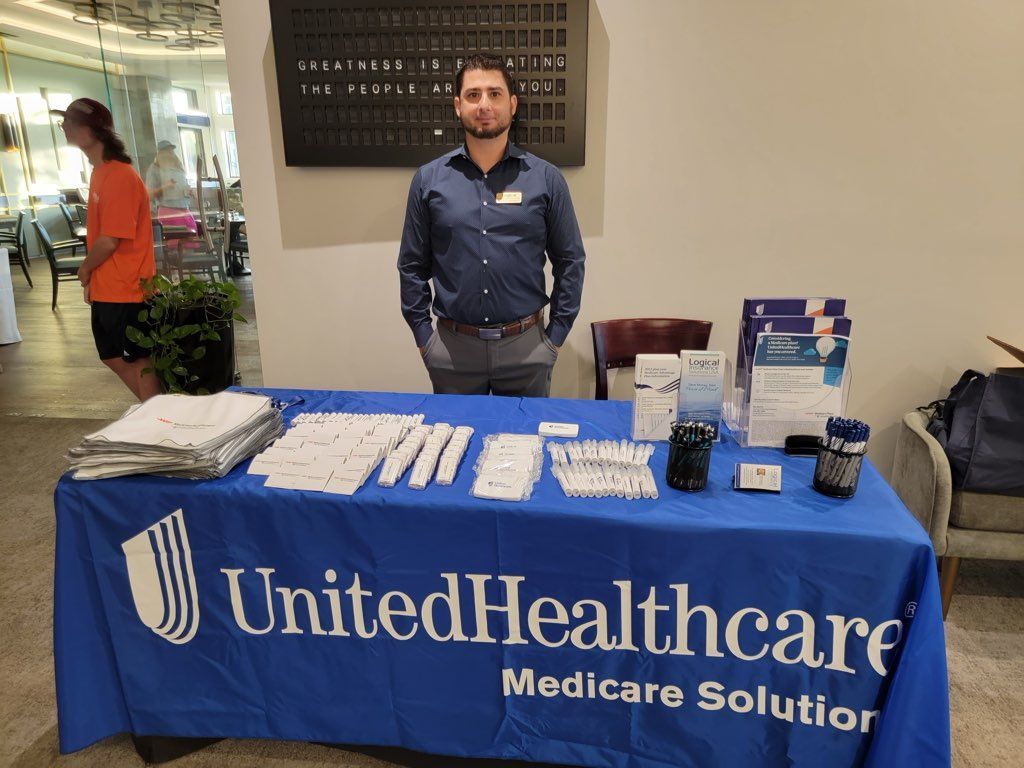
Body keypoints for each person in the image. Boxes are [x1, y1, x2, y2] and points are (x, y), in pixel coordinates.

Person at [398, 53, 586, 397]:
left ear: (512, 104)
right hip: (452, 353)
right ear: (458, 106)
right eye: (473, 95)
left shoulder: (546, 179)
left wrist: (554, 340)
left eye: (495, 94)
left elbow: (570, 261)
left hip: (527, 350)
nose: (484, 104)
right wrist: (425, 340)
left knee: (525, 448)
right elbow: (411, 266)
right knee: (455, 448)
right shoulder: (428, 180)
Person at [52, 97, 160, 401]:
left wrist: (85, 269)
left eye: (70, 123)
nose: (65, 128)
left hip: (129, 287)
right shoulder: (100, 172)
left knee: (136, 359)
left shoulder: (119, 175)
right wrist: (94, 281)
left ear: (92, 129)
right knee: (113, 355)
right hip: (111, 285)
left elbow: (111, 238)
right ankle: (157, 413)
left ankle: (161, 418)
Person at [145, 140, 198, 235]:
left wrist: (189, 191)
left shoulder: (179, 167)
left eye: (171, 150)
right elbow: (148, 195)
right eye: (167, 150)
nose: (171, 153)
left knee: (190, 242)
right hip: (168, 212)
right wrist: (164, 187)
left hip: (185, 211)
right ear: (161, 153)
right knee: (175, 244)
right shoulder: (154, 168)